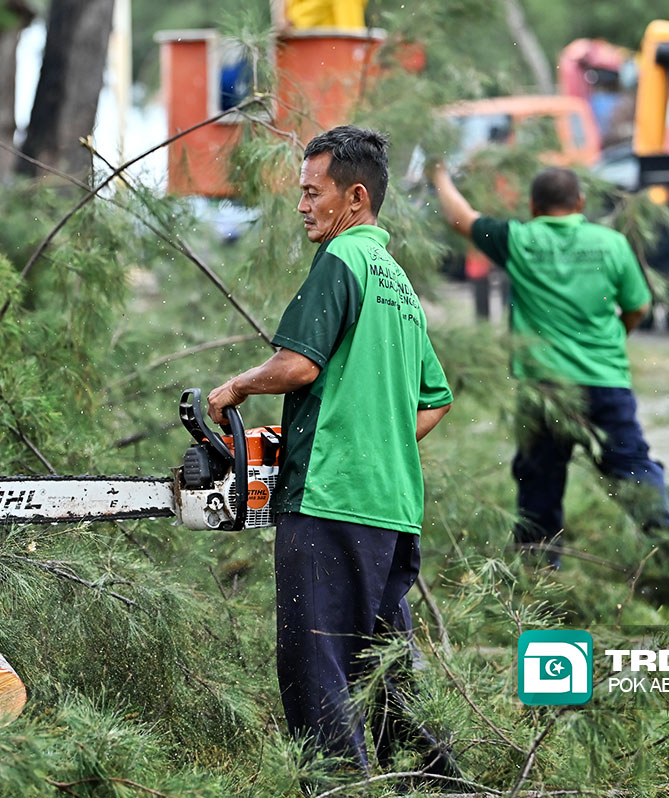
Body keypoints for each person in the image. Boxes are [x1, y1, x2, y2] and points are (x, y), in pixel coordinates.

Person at [207, 126, 454, 770]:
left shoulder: (342, 259)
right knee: (386, 678)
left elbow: (299, 366)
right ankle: (436, 785)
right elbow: (435, 400)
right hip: (392, 508)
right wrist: (375, 442)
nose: (302, 205)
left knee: (316, 676)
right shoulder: (397, 281)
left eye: (313, 192)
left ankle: (338, 787)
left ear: (355, 197)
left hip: (330, 502)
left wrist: (237, 386)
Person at [431, 163, 669, 568]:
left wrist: (439, 176)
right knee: (632, 468)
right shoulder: (611, 243)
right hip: (605, 382)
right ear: (580, 202)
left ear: (533, 207)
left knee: (539, 483)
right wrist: (612, 338)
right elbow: (638, 306)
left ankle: (539, 571)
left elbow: (461, 218)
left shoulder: (520, 239)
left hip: (543, 388)